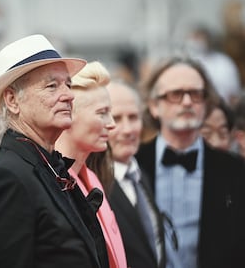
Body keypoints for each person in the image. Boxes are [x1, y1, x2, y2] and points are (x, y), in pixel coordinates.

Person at [0, 34, 109, 268]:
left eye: (68, 84)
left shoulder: (47, 166)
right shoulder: (6, 178)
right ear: (12, 100)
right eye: (52, 86)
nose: (69, 95)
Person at [136, 56, 245, 268]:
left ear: (206, 103)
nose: (187, 102)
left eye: (195, 94)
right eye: (176, 94)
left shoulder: (236, 171)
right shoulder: (133, 166)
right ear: (154, 106)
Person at [55, 61, 127, 268]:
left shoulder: (92, 178)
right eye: (102, 113)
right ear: (68, 115)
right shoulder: (54, 183)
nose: (112, 123)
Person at [103, 80, 166, 268]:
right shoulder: (92, 185)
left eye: (133, 117)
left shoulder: (142, 175)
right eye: (116, 118)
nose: (128, 129)